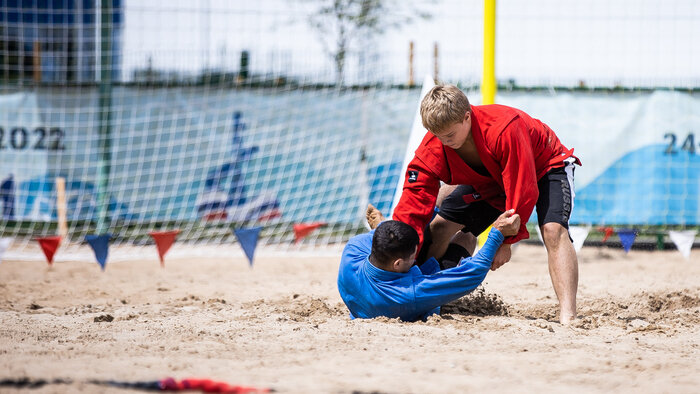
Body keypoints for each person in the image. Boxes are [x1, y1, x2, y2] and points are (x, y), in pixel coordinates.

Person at [392, 84, 581, 324]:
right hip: (493, 179)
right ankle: (429, 290)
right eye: (437, 135)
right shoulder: (436, 142)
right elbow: (414, 200)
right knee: (439, 228)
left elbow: (523, 186)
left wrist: (506, 240)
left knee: (553, 230)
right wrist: (396, 245)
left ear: (467, 117)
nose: (444, 142)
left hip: (546, 165)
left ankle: (569, 315)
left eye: (449, 136)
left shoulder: (505, 128)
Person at [337, 207, 520, 322]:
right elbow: (472, 274)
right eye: (413, 255)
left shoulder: (352, 251)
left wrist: (382, 228)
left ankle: (386, 225)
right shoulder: (410, 293)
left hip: (364, 298)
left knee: (432, 213)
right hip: (402, 300)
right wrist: (497, 233)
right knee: (468, 237)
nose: (415, 256)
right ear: (398, 263)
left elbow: (376, 239)